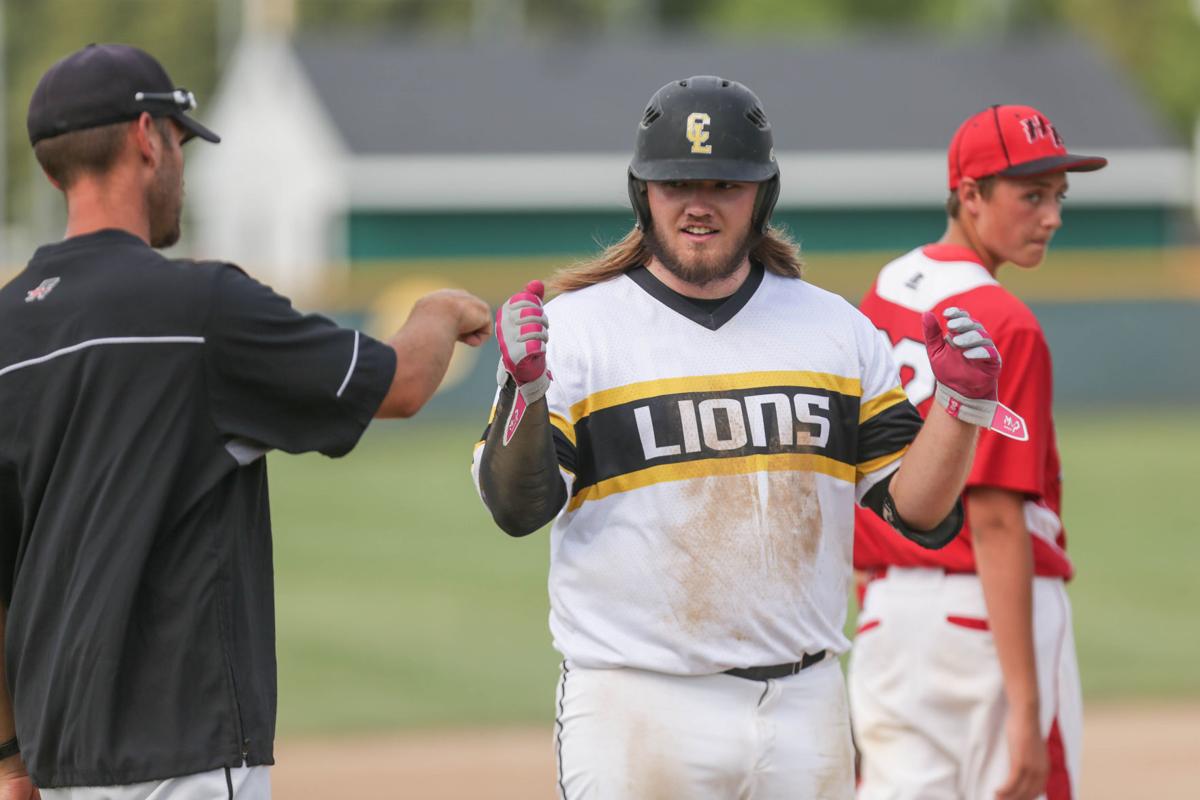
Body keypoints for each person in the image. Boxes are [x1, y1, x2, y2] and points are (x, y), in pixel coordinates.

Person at [471, 75, 1004, 799]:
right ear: (642, 193)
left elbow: (918, 512)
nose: (699, 203)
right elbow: (518, 508)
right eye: (677, 182)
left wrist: (961, 406)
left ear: (764, 196)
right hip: (636, 703)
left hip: (805, 706)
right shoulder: (580, 328)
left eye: (726, 183)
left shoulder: (834, 329)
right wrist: (528, 394)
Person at [0, 44, 491, 799]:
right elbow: (401, 384)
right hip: (186, 757)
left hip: (62, 763)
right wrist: (439, 309)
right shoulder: (201, 310)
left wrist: (11, 761)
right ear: (145, 136)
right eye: (178, 142)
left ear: (48, 169)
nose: (182, 167)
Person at [848, 104, 1107, 800]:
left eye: (1058, 195)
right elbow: (994, 519)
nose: (1051, 215)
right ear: (969, 195)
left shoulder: (885, 288)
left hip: (888, 621)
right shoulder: (1006, 323)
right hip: (983, 629)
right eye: (1030, 195)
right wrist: (1026, 708)